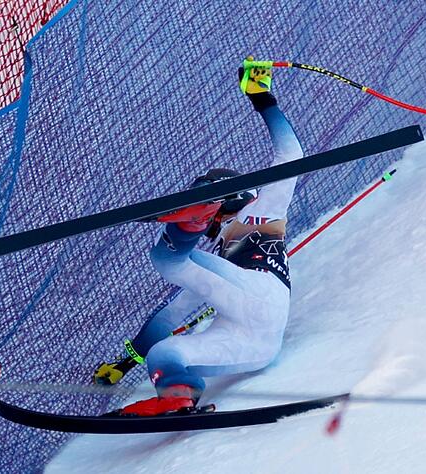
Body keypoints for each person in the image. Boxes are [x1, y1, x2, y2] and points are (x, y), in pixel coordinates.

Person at [95, 58, 304, 416]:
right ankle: (178, 400)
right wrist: (127, 363)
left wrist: (261, 97)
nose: (213, 224)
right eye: (203, 213)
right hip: (258, 346)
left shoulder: (264, 208)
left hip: (262, 294)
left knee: (169, 260)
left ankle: (187, 223)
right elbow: (169, 317)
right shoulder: (216, 264)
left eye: (208, 210)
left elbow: (291, 154)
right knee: (168, 354)